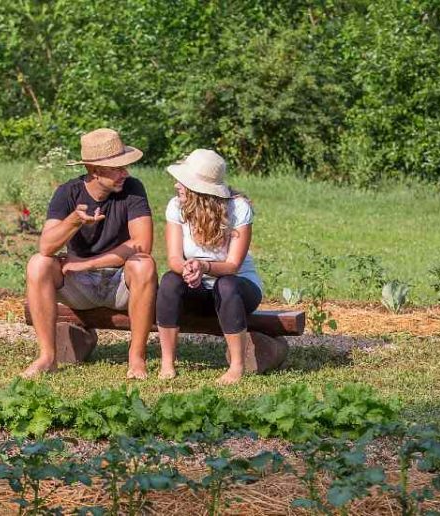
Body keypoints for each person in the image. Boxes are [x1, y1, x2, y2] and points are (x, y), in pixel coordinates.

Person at [22, 128, 156, 380]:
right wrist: (74, 221)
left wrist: (85, 264)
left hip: (120, 283)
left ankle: (137, 358)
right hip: (80, 289)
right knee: (38, 263)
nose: (124, 173)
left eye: (124, 166)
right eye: (117, 168)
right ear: (95, 171)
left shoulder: (133, 188)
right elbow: (46, 246)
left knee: (144, 264)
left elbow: (142, 243)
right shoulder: (68, 192)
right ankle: (47, 357)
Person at [156, 149, 263, 385]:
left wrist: (204, 266)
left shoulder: (239, 208)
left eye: (183, 182)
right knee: (169, 280)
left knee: (226, 284)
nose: (177, 186)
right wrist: (186, 269)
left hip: (237, 290)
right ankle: (167, 363)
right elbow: (173, 258)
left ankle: (237, 365)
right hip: (198, 288)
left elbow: (233, 265)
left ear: (199, 190)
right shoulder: (176, 206)